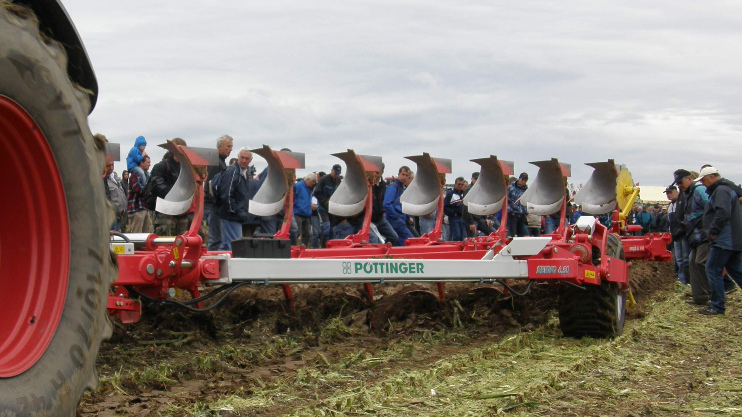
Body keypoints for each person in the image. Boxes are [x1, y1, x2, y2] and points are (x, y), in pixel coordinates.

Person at [696, 167, 742, 315]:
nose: (703, 184)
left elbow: (722, 212)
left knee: (712, 269)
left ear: (712, 177)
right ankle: (717, 304)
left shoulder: (721, 190)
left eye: (703, 180)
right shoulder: (727, 189)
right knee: (736, 271)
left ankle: (717, 306)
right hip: (732, 239)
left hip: (724, 240)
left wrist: (714, 232)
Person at [674, 169, 711, 306]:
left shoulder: (700, 190)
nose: (679, 186)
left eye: (681, 182)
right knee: (692, 264)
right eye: (677, 184)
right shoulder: (688, 193)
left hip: (704, 235)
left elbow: (711, 206)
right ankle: (699, 297)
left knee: (702, 262)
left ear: (689, 179)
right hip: (694, 237)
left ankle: (712, 295)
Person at [217, 147, 259, 250]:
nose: (244, 161)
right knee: (235, 247)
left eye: (247, 158)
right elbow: (226, 193)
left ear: (251, 160)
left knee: (227, 244)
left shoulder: (243, 173)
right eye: (242, 157)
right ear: (238, 157)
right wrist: (234, 211)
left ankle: (217, 264)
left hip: (234, 216)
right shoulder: (233, 171)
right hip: (231, 216)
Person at [150, 138, 189, 236]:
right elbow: (156, 186)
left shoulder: (184, 167)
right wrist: (175, 193)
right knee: (165, 244)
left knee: (181, 243)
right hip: (165, 213)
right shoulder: (161, 166)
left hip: (181, 212)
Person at [205, 134, 233, 250]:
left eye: (231, 147)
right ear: (219, 147)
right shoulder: (216, 162)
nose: (230, 149)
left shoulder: (220, 162)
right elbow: (211, 185)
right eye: (228, 146)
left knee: (217, 238)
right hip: (214, 206)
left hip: (215, 205)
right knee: (215, 239)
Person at [383, 166, 414, 246]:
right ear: (398, 174)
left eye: (407, 175)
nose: (404, 177)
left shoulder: (400, 187)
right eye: (403, 174)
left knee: (398, 243)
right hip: (395, 220)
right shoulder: (393, 187)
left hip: (398, 219)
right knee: (410, 241)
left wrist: (406, 218)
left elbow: (401, 205)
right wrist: (396, 216)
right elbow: (387, 204)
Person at [313, 164, 342, 247]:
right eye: (335, 173)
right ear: (331, 170)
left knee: (332, 229)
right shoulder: (324, 179)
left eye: (338, 174)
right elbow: (316, 192)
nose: (336, 175)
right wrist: (324, 200)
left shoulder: (338, 181)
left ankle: (331, 246)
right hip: (323, 208)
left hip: (332, 208)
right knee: (326, 227)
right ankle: (323, 246)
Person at [370, 165, 398, 245]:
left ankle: (385, 250)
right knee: (374, 239)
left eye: (377, 172)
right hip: (369, 220)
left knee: (394, 237)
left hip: (379, 218)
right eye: (374, 172)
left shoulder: (383, 185)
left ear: (382, 173)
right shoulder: (368, 185)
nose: (375, 174)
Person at [666, 185, 687, 284]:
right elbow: (670, 223)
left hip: (683, 234)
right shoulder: (670, 206)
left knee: (685, 258)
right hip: (675, 235)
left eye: (670, 193)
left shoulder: (681, 203)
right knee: (678, 259)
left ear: (676, 192)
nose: (668, 195)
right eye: (667, 193)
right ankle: (682, 281)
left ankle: (687, 280)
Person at [127, 156, 153, 233]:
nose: (149, 164)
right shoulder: (134, 175)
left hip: (145, 208)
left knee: (146, 235)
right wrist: (148, 190)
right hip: (137, 209)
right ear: (141, 163)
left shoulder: (146, 176)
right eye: (148, 162)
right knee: (136, 234)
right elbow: (138, 190)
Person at [103, 152, 127, 232]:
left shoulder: (115, 179)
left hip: (119, 216)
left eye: (112, 165)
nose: (111, 168)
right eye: (108, 166)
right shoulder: (103, 180)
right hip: (110, 217)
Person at [293, 172, 317, 247]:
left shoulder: (309, 188)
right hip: (298, 213)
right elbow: (293, 198)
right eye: (313, 181)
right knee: (297, 232)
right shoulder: (298, 186)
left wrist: (310, 205)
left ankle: (304, 247)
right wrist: (298, 205)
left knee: (307, 233)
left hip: (306, 214)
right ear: (308, 180)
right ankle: (293, 247)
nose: (314, 183)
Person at [444, 177, 467, 241]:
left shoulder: (462, 194)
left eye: (462, 185)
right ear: (455, 184)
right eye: (459, 184)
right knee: (456, 235)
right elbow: (445, 206)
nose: (460, 186)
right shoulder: (450, 194)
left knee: (462, 236)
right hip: (454, 217)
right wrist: (453, 213)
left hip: (461, 217)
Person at [507, 172, 529, 237]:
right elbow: (507, 200)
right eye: (522, 179)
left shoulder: (526, 190)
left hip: (522, 214)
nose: (523, 181)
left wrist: (526, 212)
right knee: (512, 233)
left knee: (521, 234)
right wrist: (511, 211)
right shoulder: (511, 188)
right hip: (513, 214)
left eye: (525, 180)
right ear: (519, 179)